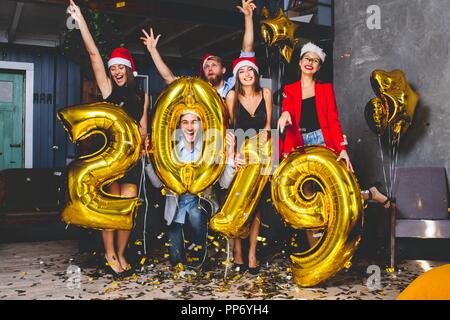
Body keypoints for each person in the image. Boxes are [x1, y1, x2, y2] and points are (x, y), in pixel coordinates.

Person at [277, 42, 391, 245]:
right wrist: (285, 113)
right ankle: (317, 250)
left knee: (335, 190)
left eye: (315, 60)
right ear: (300, 62)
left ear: (319, 66)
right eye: (307, 59)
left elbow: (332, 120)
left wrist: (342, 149)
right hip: (300, 145)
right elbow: (287, 108)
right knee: (307, 194)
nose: (310, 63)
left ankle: (369, 193)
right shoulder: (290, 89)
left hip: (323, 141)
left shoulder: (325, 89)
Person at [68, 0, 149, 277]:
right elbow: (93, 55)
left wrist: (145, 144)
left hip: (131, 161)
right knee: (110, 207)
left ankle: (122, 253)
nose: (115, 72)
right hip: (108, 159)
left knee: (127, 209)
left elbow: (142, 128)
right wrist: (80, 20)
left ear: (128, 69)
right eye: (112, 68)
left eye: (119, 68)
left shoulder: (141, 96)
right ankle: (109, 254)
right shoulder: (106, 89)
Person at [145, 111, 240, 269]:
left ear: (202, 125)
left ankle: (202, 250)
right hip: (175, 208)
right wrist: (149, 158)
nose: (190, 127)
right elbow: (156, 184)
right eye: (185, 122)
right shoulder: (170, 150)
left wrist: (230, 153)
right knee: (176, 261)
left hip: (201, 203)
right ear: (179, 125)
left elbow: (224, 183)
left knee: (195, 214)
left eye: (194, 122)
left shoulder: (210, 149)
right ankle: (189, 247)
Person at [140, 0, 257, 99]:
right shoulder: (198, 90)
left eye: (214, 65)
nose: (210, 68)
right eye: (206, 66)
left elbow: (247, 51)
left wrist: (248, 17)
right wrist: (153, 50)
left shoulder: (233, 85)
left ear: (224, 70)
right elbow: (169, 79)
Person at [225, 57, 272, 275]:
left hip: (261, 154)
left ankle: (252, 252)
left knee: (256, 205)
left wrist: (265, 155)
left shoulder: (266, 94)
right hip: (241, 156)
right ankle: (237, 251)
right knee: (238, 203)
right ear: (237, 75)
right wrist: (233, 155)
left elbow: (268, 126)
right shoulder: (232, 95)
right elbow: (230, 128)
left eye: (250, 70)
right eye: (241, 71)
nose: (246, 74)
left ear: (255, 72)